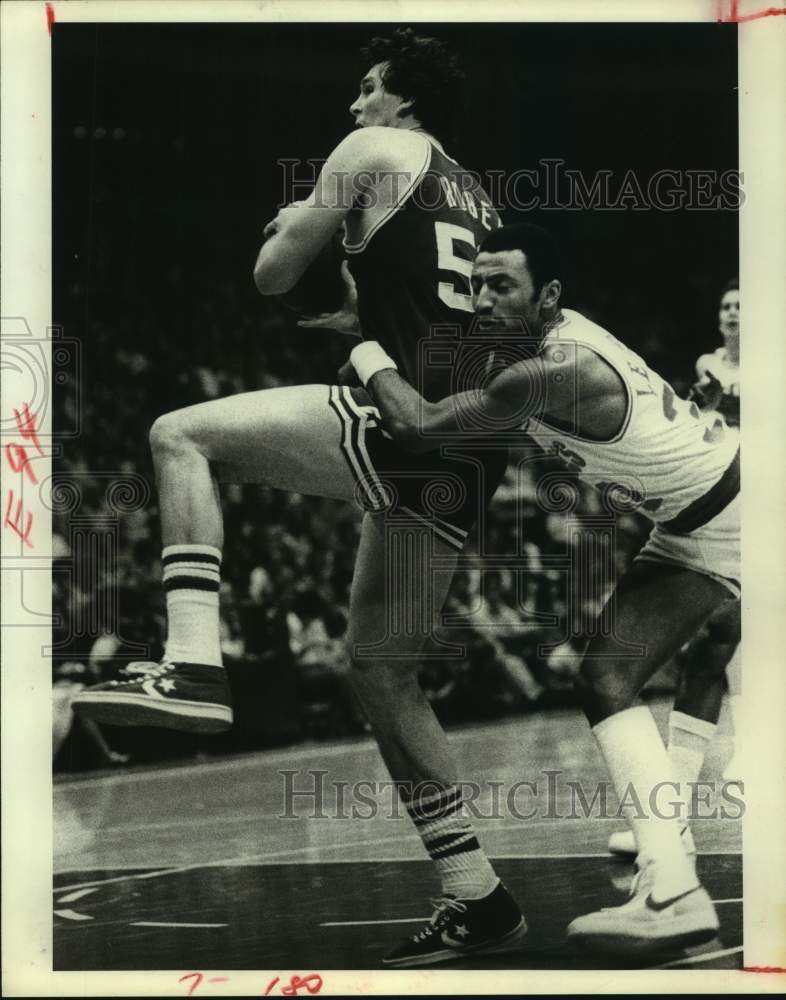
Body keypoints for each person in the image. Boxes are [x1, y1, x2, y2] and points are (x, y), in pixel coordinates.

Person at [73, 29, 527, 967]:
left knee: (178, 434)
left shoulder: (369, 150)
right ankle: (476, 896)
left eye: (368, 89)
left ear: (403, 102)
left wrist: (295, 225)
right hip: (470, 440)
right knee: (378, 671)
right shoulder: (474, 193)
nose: (353, 106)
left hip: (405, 414)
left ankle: (192, 660)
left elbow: (271, 276)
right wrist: (361, 302)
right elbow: (444, 306)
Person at [350, 222, 739, 955]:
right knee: (605, 676)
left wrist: (359, 335)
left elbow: (419, 426)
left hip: (731, 512)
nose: (484, 300)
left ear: (549, 296)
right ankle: (670, 879)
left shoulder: (551, 367)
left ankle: (673, 885)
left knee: (611, 675)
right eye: (477, 286)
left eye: (503, 286)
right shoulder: (523, 351)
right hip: (696, 518)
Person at [607, 278, 742, 857]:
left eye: (743, 306)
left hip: (760, 504)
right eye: (726, 306)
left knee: (720, 645)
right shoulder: (709, 365)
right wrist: (703, 401)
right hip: (710, 503)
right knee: (708, 649)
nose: (733, 314)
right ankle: (675, 814)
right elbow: (690, 417)